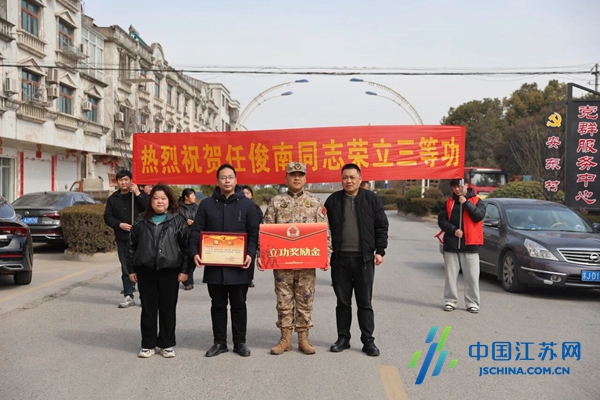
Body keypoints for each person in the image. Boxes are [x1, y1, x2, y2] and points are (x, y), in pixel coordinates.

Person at [261, 162, 331, 355]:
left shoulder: (315, 202)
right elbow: (266, 230)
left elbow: (325, 232)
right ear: (286, 178)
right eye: (293, 175)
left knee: (305, 300)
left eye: (300, 175)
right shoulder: (276, 202)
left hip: (307, 263)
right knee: (283, 300)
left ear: (305, 178)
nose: (297, 178)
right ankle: (285, 339)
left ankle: (303, 338)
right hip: (282, 263)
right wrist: (262, 255)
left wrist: (326, 255)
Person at [189, 164, 259, 357]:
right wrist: (194, 252)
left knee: (239, 304)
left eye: (230, 177)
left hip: (239, 265)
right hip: (215, 265)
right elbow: (196, 231)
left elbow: (254, 233)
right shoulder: (207, 205)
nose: (227, 181)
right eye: (223, 177)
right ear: (217, 181)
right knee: (217, 305)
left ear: (236, 180)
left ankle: (240, 342)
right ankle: (219, 342)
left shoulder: (248, 205)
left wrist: (250, 254)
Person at [324, 164, 389, 357]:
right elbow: (323, 229)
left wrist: (380, 251)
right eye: (345, 177)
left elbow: (381, 225)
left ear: (360, 179)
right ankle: (343, 338)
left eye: (352, 177)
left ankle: (368, 341)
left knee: (365, 302)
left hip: (364, 260)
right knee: (342, 302)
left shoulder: (371, 199)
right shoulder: (333, 200)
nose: (348, 181)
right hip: (340, 260)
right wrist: (323, 254)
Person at [127, 183, 190, 358]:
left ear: (169, 200)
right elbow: (131, 246)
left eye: (163, 198)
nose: (159, 201)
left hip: (170, 271)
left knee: (167, 309)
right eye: (156, 198)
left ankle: (166, 344)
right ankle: (148, 345)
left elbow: (186, 248)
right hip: (145, 270)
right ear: (150, 200)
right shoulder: (140, 220)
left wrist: (185, 271)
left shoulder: (178, 220)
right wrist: (131, 269)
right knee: (148, 309)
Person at [437, 179, 486, 313]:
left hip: (471, 246)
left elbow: (478, 216)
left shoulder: (477, 201)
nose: (457, 189)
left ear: (466, 185)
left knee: (472, 277)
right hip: (451, 245)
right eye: (454, 187)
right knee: (450, 276)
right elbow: (441, 220)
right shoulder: (449, 203)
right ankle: (450, 300)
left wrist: (466, 203)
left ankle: (472, 302)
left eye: (459, 186)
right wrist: (453, 230)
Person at [104, 170, 148, 308]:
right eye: (121, 180)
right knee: (126, 267)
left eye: (126, 179)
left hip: (141, 238)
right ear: (117, 182)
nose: (123, 182)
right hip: (122, 238)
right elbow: (108, 217)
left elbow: (148, 208)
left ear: (131, 180)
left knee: (142, 267)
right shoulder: (113, 199)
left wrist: (138, 193)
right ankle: (128, 295)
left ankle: (145, 297)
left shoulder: (138, 195)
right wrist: (119, 224)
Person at [242, 185, 263, 288]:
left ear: (252, 195)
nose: (246, 195)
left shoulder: (255, 207)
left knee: (250, 257)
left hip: (251, 236)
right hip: (240, 238)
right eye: (243, 193)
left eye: (248, 193)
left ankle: (249, 279)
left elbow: (260, 220)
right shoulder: (237, 206)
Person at [178, 188, 199, 290]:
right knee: (184, 258)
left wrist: (194, 222)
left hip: (194, 236)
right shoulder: (178, 208)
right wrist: (184, 223)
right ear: (186, 197)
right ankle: (188, 281)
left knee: (193, 259)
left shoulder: (197, 208)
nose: (194, 197)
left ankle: (187, 278)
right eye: (192, 195)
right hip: (182, 236)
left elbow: (202, 220)